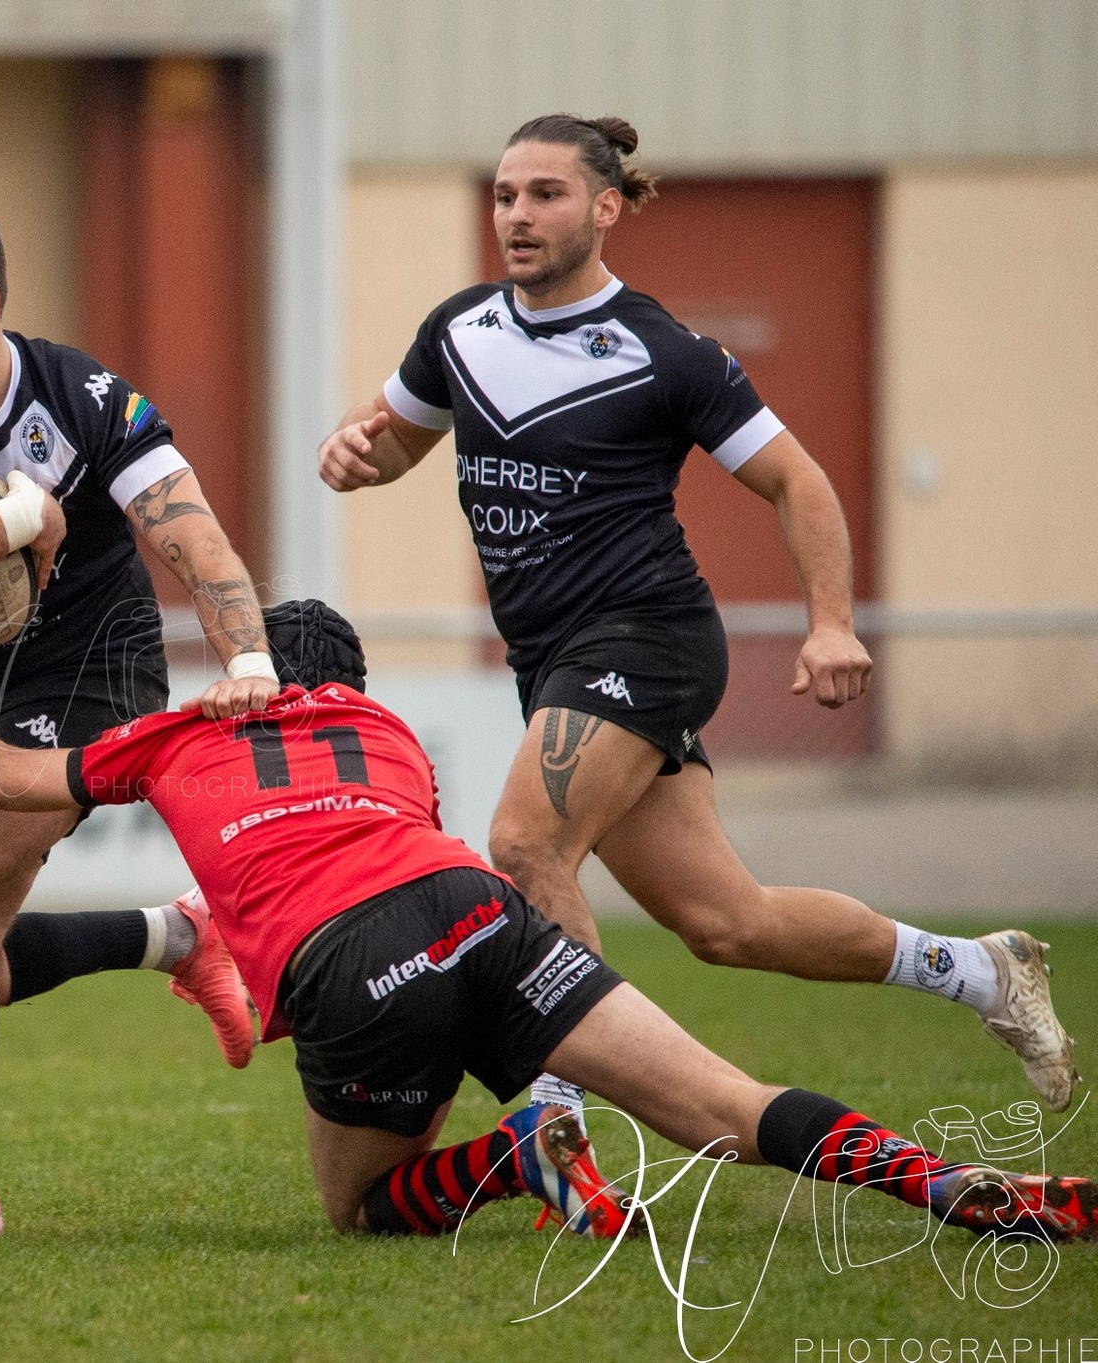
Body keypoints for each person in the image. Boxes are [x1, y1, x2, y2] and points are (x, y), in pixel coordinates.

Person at [314, 113, 1078, 1118]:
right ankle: (981, 970)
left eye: (544, 194)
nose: (516, 215)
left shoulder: (665, 352)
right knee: (726, 922)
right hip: (552, 659)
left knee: (525, 844)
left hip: (648, 634)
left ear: (606, 208)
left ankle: (562, 1109)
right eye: (503, 195)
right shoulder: (457, 329)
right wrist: (351, 453)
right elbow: (389, 442)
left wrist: (830, 623)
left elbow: (797, 481)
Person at [0, 600, 1098, 1244]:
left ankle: (517, 1153)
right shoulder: (388, 736)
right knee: (723, 1107)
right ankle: (949, 1184)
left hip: (353, 956)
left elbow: (7, 779)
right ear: (353, 683)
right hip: (474, 905)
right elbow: (401, 879)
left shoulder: (179, 731)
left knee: (359, 1206)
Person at [0, 201, 276, 1244]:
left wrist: (248, 661)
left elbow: (195, 540)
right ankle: (178, 935)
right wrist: (19, 516)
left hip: (98, 677)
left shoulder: (82, 395)